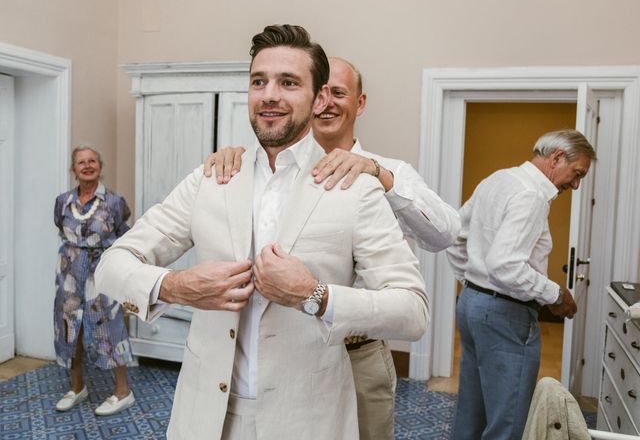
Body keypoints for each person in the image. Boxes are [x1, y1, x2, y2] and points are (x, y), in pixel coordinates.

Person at [95, 24, 429, 440]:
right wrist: (175, 286)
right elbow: (111, 265)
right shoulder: (212, 177)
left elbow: (413, 311)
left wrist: (316, 297)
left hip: (309, 420)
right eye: (259, 81)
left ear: (319, 96)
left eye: (288, 82)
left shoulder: (354, 188)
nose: (270, 94)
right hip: (205, 417)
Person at [204, 56, 460, 440]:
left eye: (338, 93)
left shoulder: (389, 172)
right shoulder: (261, 171)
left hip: (359, 354)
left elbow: (444, 234)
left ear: (360, 103)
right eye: (319, 92)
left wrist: (379, 175)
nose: (326, 103)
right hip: (283, 354)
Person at [446, 129, 596, 440]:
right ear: (556, 158)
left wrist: (475, 284)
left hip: (472, 304)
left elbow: (455, 238)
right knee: (509, 422)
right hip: (505, 316)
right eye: (577, 173)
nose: (577, 184)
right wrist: (555, 294)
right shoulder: (532, 195)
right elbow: (505, 266)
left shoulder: (498, 179)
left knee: (470, 414)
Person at [53, 146, 135, 415]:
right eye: (81, 162)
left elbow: (126, 234)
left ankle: (123, 392)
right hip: (69, 276)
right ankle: (77, 388)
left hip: (103, 273)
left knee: (110, 328)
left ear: (100, 166)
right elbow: (61, 228)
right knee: (70, 329)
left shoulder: (114, 201)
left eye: (92, 161)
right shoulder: (63, 201)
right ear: (73, 169)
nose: (87, 166)